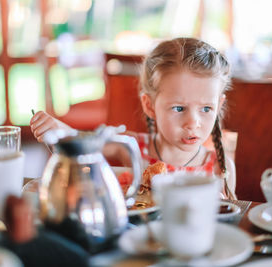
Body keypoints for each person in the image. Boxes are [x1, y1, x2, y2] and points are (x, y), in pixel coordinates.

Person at [30, 37, 236, 199]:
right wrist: (60, 130)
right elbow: (88, 144)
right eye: (179, 108)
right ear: (150, 106)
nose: (193, 123)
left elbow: (232, 219)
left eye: (206, 109)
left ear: (219, 105)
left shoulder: (220, 167)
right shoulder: (132, 147)